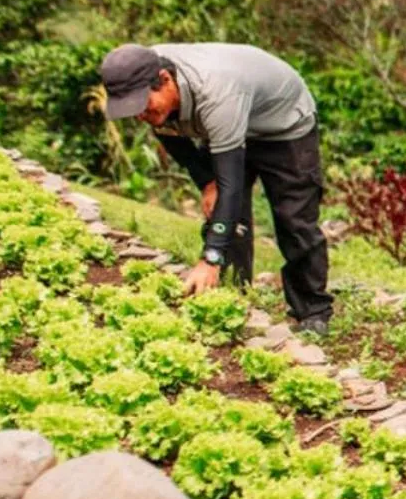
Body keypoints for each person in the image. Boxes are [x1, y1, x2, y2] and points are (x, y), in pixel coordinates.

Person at [99, 42, 333, 335]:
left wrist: (210, 256)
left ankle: (313, 311)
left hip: (282, 125)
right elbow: (173, 139)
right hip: (227, 123)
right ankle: (232, 295)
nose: (140, 115)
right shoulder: (139, 72)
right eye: (132, 109)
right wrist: (207, 182)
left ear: (165, 80)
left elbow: (230, 186)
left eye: (142, 104)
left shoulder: (216, 92)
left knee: (293, 219)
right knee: (222, 214)